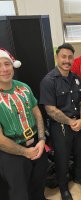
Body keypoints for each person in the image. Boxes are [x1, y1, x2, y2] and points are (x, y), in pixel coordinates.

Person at [40, 43, 81, 200]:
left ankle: (79, 177)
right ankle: (63, 187)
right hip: (61, 128)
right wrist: (71, 122)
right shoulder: (48, 81)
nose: (67, 60)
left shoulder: (76, 78)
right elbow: (50, 109)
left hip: (80, 124)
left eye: (70, 57)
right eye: (64, 56)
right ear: (57, 57)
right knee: (62, 158)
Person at [0, 48, 47, 200]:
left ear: (13, 65)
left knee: (39, 185)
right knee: (19, 194)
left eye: (7, 64)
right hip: (12, 152)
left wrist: (41, 140)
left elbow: (37, 113)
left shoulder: (24, 87)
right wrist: (25, 152)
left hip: (37, 145)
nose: (4, 69)